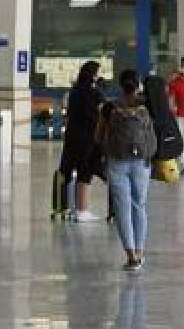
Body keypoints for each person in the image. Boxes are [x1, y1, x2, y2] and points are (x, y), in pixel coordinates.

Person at [98, 70, 157, 272]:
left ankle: (131, 256)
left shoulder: (109, 107)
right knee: (139, 205)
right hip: (142, 161)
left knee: (122, 209)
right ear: (138, 85)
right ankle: (140, 252)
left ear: (120, 85)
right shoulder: (147, 105)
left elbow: (98, 136)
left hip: (117, 161)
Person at [59, 62, 106, 222]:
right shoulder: (94, 93)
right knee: (86, 172)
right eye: (98, 73)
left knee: (71, 170)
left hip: (72, 137)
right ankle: (82, 210)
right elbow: (102, 113)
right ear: (93, 75)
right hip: (88, 138)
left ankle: (69, 209)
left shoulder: (75, 90)